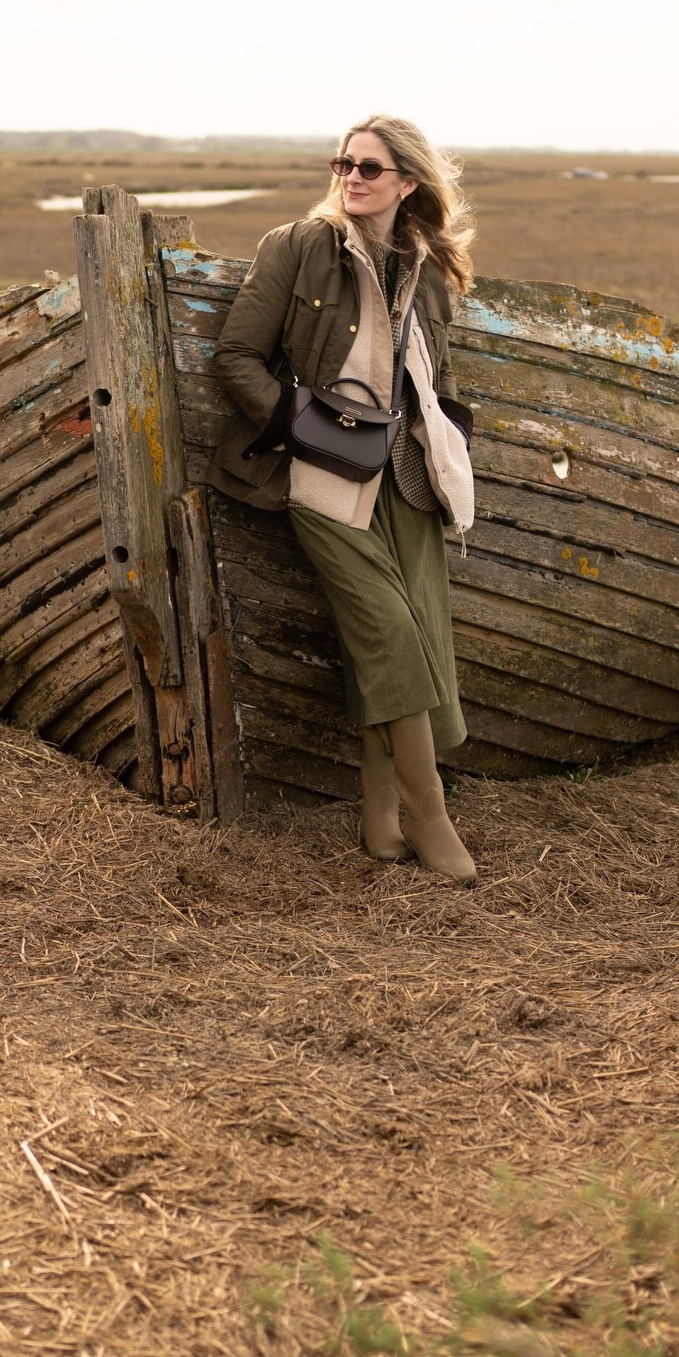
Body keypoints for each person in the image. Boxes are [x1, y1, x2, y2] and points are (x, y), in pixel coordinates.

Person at [208, 114, 478, 885]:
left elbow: (442, 381)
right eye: (344, 163)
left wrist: (450, 449)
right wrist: (303, 432)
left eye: (369, 167)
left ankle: (379, 812)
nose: (351, 177)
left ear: (407, 183)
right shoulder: (299, 246)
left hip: (407, 476)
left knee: (409, 636)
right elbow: (237, 357)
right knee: (389, 631)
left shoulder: (423, 266)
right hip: (321, 474)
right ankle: (430, 813)